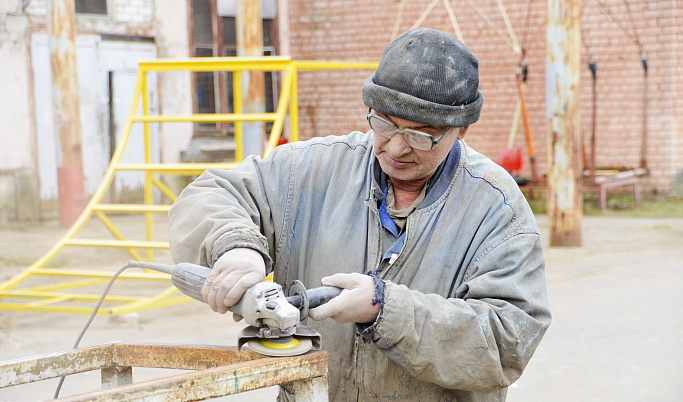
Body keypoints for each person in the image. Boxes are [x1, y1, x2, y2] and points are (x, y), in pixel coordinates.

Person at [169, 28, 551, 401]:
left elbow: (508, 341)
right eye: (384, 123)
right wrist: (236, 245)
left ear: (461, 128)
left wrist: (386, 310)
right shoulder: (311, 170)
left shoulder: (497, 211)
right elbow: (209, 194)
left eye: (421, 134)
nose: (397, 148)